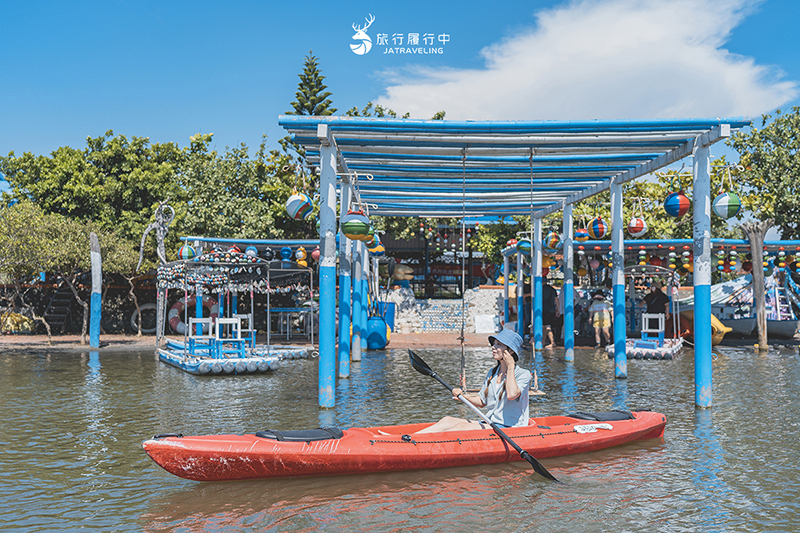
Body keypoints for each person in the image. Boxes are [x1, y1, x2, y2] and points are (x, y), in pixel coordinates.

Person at [416, 329, 531, 433]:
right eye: (494, 343)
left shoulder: (523, 374)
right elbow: (482, 401)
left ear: (510, 351)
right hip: (490, 422)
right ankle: (411, 439)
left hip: (510, 427)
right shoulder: (492, 373)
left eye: (499, 344)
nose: (493, 347)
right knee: (447, 421)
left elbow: (511, 395)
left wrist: (510, 366)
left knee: (460, 427)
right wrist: (463, 396)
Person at [542, 281, 559, 348]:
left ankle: (552, 342)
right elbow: (556, 299)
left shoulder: (539, 289)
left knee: (547, 326)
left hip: (543, 309)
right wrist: (558, 309)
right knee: (545, 326)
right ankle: (543, 341)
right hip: (551, 310)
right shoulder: (552, 289)